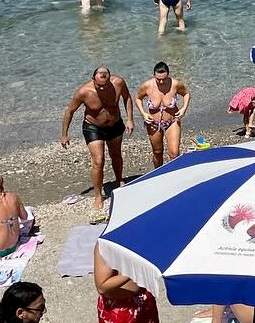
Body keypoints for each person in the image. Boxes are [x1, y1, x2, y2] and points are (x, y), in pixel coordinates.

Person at [60, 67, 134, 216]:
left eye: (105, 84)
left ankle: (119, 180)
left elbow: (127, 98)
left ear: (109, 79)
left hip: (115, 124)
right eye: (99, 85)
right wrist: (64, 134)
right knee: (98, 161)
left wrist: (130, 119)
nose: (102, 87)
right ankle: (98, 195)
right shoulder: (83, 92)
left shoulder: (118, 83)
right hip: (93, 127)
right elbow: (70, 111)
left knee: (116, 155)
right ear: (93, 79)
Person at [136, 62, 189, 168]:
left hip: (172, 121)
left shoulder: (175, 84)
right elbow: (138, 98)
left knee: (174, 153)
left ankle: (176, 175)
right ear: (154, 75)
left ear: (168, 74)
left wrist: (183, 109)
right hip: (153, 123)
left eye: (163, 79)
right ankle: (158, 175)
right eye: (158, 79)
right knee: (157, 151)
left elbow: (186, 94)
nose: (161, 81)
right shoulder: (147, 86)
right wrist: (143, 113)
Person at [94, 244, 160, 323]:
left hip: (144, 296)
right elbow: (102, 287)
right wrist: (132, 272)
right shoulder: (106, 245)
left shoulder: (142, 239)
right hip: (119, 307)